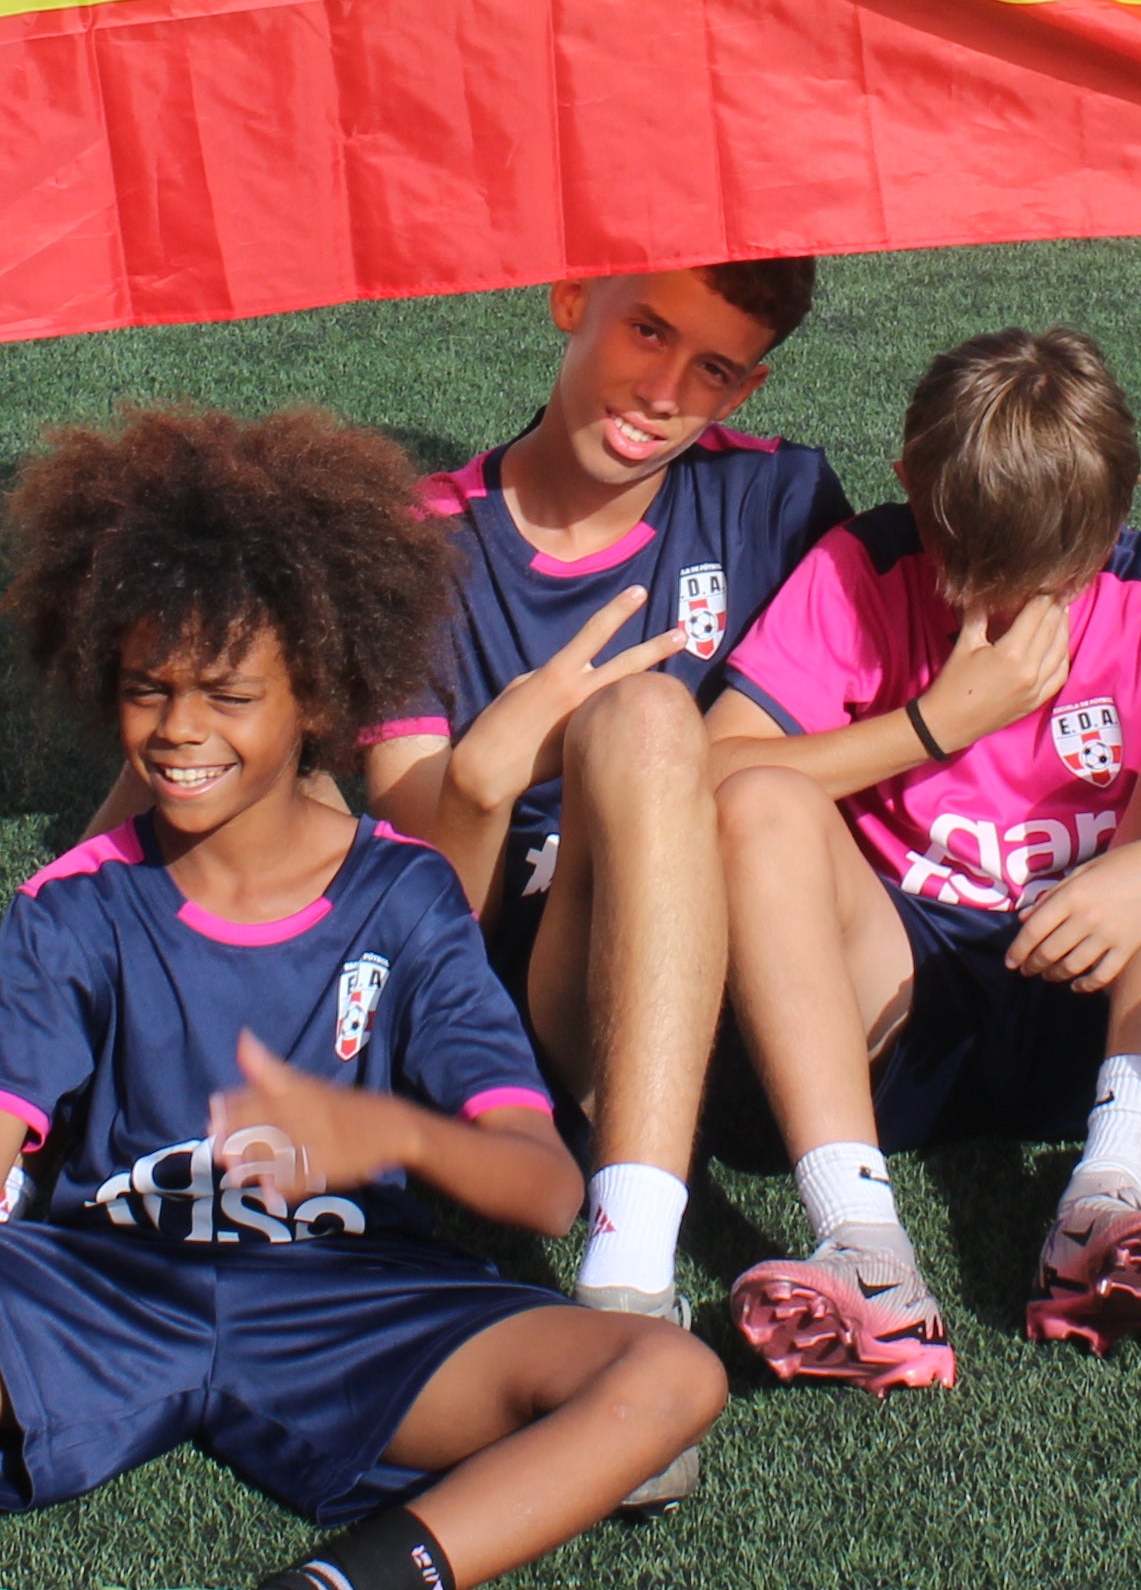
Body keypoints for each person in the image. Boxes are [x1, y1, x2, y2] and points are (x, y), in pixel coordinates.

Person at [0, 406, 725, 1590]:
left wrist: (388, 1134)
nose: (180, 733)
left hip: (346, 1302)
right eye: (148, 692)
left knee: (672, 1380)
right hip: (103, 1286)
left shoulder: (405, 897)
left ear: (319, 694)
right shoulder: (74, 904)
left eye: (227, 696)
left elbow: (546, 1189)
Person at [707, 326, 1141, 1387]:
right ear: (908, 483)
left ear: (1115, 524)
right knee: (764, 797)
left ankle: (1113, 1188)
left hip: (1102, 998)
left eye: (1051, 578)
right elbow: (713, 770)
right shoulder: (864, 567)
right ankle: (861, 1243)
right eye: (965, 574)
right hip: (897, 998)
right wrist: (935, 725)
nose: (998, 608)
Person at [355, 263, 846, 1382]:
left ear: (748, 388)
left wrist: (932, 724)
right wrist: (489, 776)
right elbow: (420, 919)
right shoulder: (414, 543)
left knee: (674, 735)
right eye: (649, 330)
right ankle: (630, 1280)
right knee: (649, 718)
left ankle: (833, 1235)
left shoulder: (778, 500)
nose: (664, 389)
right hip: (539, 1000)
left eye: (712, 368)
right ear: (573, 295)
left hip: (764, 989)